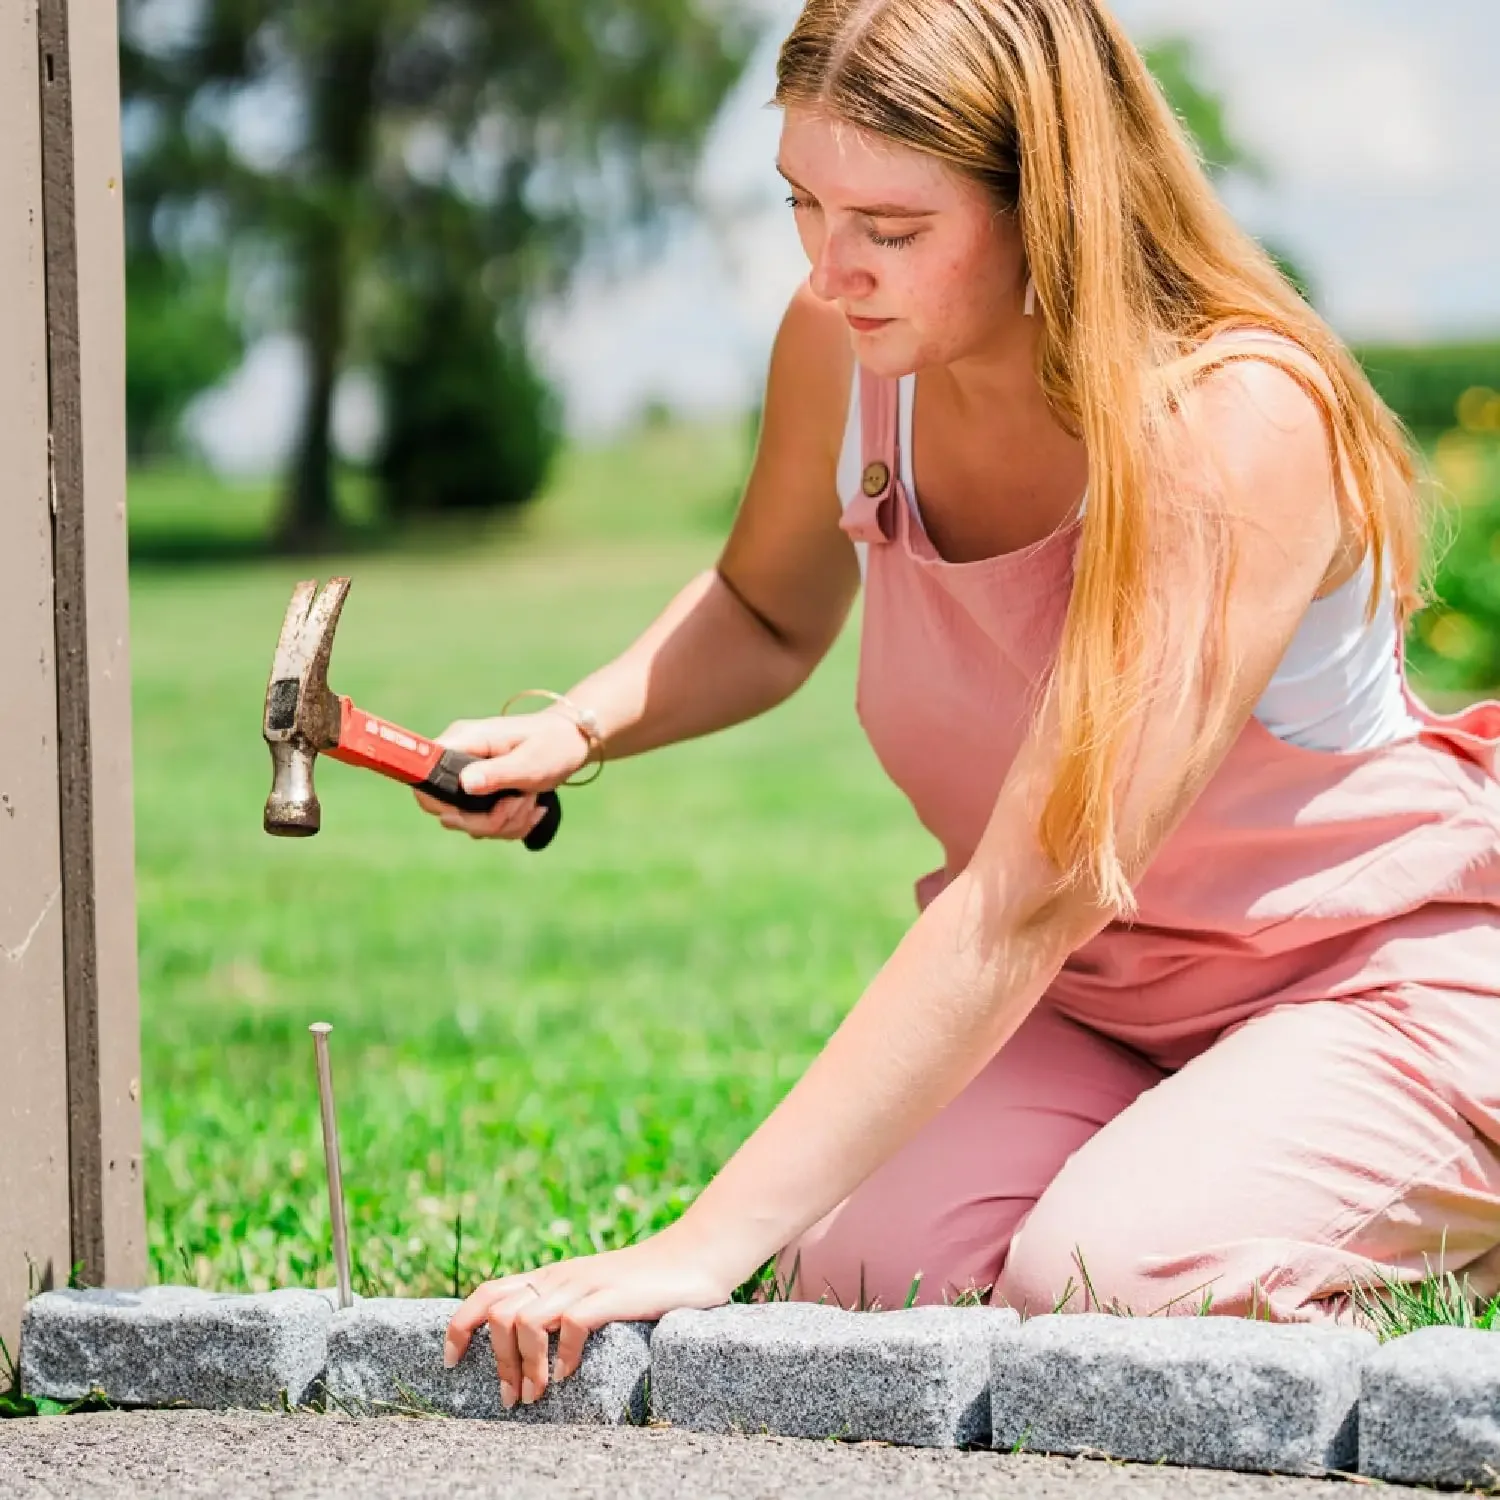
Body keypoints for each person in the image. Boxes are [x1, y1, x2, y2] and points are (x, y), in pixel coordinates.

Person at [419, 0, 1500, 1412]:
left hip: (1365, 976)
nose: (831, 265)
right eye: (803, 202)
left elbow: (1029, 890)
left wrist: (697, 1246)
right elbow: (765, 607)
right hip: (1101, 996)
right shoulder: (849, 351)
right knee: (873, 1273)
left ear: (1051, 203)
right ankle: (1200, 1148)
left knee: (1108, 1282)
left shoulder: (1233, 419)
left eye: (890, 223)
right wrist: (581, 722)